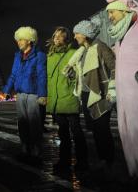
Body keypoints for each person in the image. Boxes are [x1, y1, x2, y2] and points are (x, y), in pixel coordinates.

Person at [105, 0, 138, 185]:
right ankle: (136, 172)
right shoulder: (120, 37)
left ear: (125, 11)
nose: (110, 16)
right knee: (127, 132)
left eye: (112, 12)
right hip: (125, 94)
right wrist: (113, 89)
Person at [65, 17, 116, 170]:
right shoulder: (83, 51)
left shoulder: (100, 47)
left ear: (85, 34)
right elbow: (84, 74)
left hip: (100, 93)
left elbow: (114, 67)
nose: (74, 37)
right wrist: (72, 74)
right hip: (87, 95)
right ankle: (102, 159)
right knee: (95, 130)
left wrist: (112, 89)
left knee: (102, 129)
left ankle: (109, 161)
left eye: (77, 34)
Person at [46, 27, 88, 171]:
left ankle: (83, 162)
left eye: (60, 35)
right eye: (55, 35)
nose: (57, 38)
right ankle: (64, 161)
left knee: (76, 132)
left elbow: (79, 76)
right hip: (56, 100)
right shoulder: (50, 56)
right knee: (62, 133)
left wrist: (72, 77)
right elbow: (48, 80)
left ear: (66, 38)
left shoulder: (73, 53)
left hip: (69, 97)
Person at [3, 26, 47, 161]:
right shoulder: (18, 56)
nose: (19, 42)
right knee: (22, 123)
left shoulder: (39, 55)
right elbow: (13, 74)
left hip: (33, 94)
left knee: (34, 123)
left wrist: (42, 94)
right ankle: (24, 147)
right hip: (20, 93)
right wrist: (7, 90)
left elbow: (41, 76)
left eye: (22, 39)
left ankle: (36, 149)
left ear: (30, 40)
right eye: (18, 40)